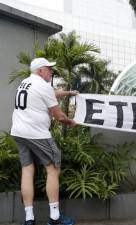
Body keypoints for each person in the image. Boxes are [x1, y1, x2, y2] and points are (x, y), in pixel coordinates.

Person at [11, 58, 78, 225]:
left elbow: (49, 94)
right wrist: (69, 121)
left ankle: (29, 219)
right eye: (48, 68)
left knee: (27, 170)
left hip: (18, 131)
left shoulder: (25, 83)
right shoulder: (42, 85)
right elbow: (58, 116)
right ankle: (55, 218)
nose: (51, 71)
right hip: (36, 133)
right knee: (53, 169)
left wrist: (68, 93)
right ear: (40, 71)